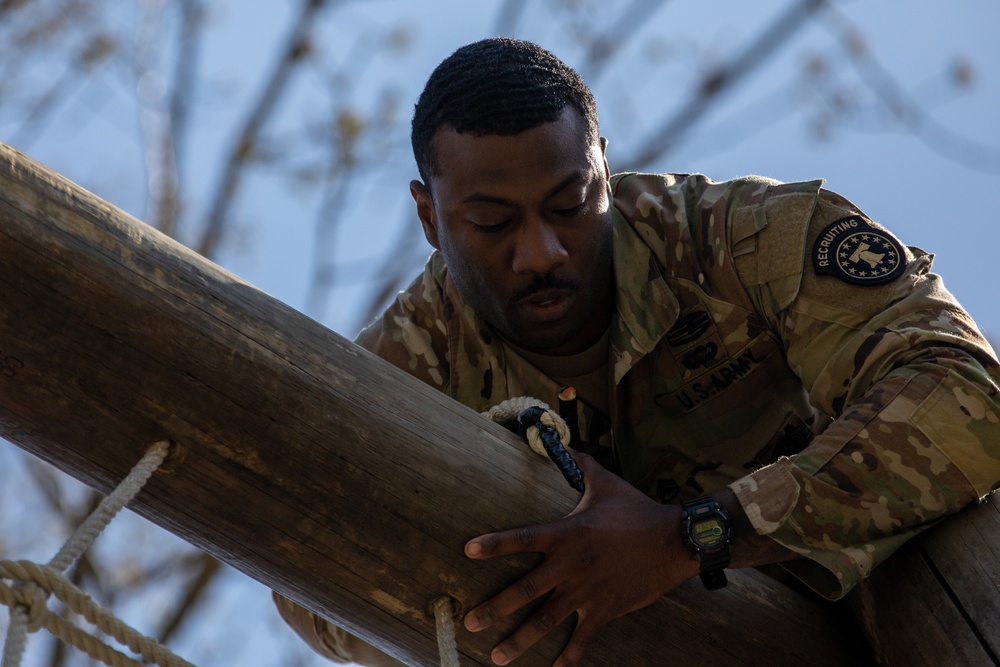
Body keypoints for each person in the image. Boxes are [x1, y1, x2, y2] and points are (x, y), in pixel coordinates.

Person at [274, 37, 1000, 666]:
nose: (542, 252)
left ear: (603, 168)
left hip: (918, 597)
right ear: (430, 218)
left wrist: (691, 535)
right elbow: (306, 582)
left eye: (570, 205)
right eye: (494, 222)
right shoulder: (412, 364)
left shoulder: (740, 242)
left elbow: (969, 393)